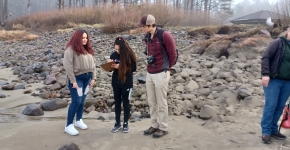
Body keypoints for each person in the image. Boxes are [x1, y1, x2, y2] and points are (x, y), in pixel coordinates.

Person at [137, 14, 177, 138]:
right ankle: (154, 125)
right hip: (150, 72)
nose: (141, 28)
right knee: (152, 101)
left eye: (143, 26)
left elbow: (173, 54)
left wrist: (167, 68)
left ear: (150, 25)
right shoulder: (147, 36)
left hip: (161, 72)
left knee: (161, 101)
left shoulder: (165, 35)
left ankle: (163, 127)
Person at [63, 28, 96, 136]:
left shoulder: (88, 49)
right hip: (77, 79)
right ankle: (69, 125)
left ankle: (78, 120)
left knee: (82, 101)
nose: (85, 40)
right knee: (76, 101)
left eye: (86, 38)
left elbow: (93, 65)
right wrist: (73, 81)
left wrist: (94, 78)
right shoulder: (70, 50)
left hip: (87, 78)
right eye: (82, 38)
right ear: (77, 38)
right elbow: (68, 66)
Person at [261, 27, 290, 144]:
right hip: (274, 80)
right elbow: (266, 57)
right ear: (288, 31)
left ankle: (273, 130)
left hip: (287, 82)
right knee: (271, 105)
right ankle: (266, 131)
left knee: (280, 106)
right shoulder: (278, 43)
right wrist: (265, 74)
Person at [109, 37, 137, 133]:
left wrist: (119, 66)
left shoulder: (130, 55)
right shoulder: (114, 54)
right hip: (116, 83)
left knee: (126, 104)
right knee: (117, 103)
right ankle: (117, 123)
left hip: (127, 83)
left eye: (119, 49)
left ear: (123, 48)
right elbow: (109, 69)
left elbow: (133, 68)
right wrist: (109, 65)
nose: (117, 51)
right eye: (116, 49)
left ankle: (125, 123)